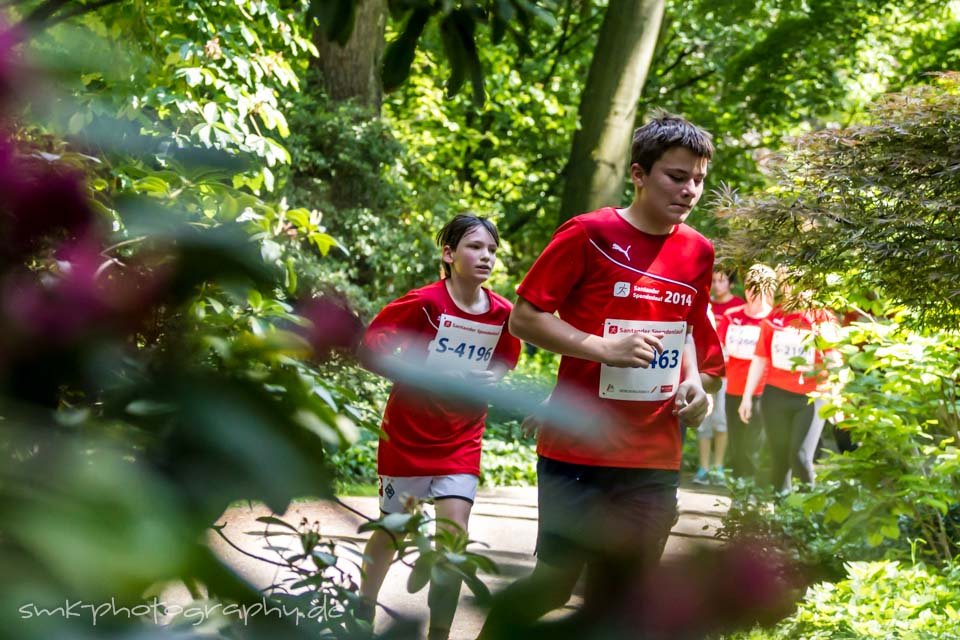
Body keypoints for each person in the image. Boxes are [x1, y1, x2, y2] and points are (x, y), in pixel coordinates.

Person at [479, 113, 722, 637]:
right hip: (578, 450)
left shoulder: (699, 251)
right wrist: (601, 347)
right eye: (676, 177)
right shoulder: (589, 233)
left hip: (654, 452)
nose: (689, 190)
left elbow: (686, 331)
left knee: (628, 595)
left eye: (698, 179)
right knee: (554, 585)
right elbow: (525, 318)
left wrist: (696, 384)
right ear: (639, 173)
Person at [358, 214, 521, 640]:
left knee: (453, 541)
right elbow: (371, 347)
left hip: (460, 440)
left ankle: (440, 634)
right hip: (407, 437)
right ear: (449, 254)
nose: (486, 256)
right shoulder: (425, 303)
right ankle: (361, 610)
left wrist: (494, 377)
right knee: (392, 532)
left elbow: (507, 357)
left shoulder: (504, 312)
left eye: (491, 250)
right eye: (475, 247)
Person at [738, 275, 838, 492]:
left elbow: (833, 359)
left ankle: (807, 513)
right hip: (776, 394)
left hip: (813, 395)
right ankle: (781, 514)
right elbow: (760, 358)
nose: (792, 287)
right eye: (786, 282)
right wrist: (746, 397)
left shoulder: (822, 316)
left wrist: (837, 398)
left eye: (798, 282)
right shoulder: (775, 315)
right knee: (779, 459)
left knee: (800, 456)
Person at [717, 264, 775, 479]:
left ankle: (752, 496)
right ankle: (738, 495)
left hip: (762, 390)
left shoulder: (773, 319)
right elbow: (718, 348)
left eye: (758, 288)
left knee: (753, 447)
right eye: (750, 287)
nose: (753, 293)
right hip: (733, 386)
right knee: (736, 446)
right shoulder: (732, 316)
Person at [692, 271, 744, 483]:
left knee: (722, 420)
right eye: (713, 280)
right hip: (705, 370)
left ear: (731, 283)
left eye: (721, 280)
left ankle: (718, 467)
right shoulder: (705, 305)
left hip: (729, 372)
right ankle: (703, 468)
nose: (716, 284)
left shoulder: (739, 307)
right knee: (704, 419)